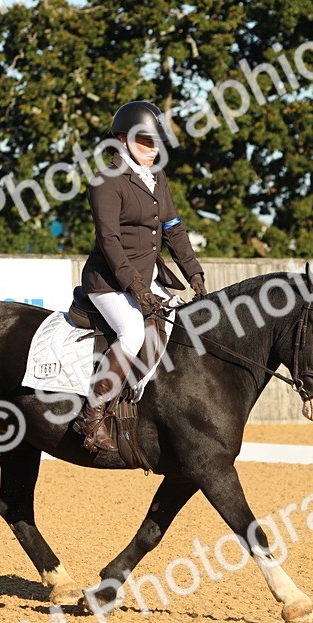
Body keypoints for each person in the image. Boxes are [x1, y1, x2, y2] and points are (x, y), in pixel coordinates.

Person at [74, 101, 208, 453]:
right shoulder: (106, 180)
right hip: (109, 281)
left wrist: (193, 272)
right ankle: (92, 416)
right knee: (132, 332)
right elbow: (109, 241)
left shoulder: (157, 178)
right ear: (123, 140)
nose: (154, 149)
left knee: (179, 327)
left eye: (157, 142)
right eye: (147, 142)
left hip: (148, 278)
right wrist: (134, 285)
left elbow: (173, 228)